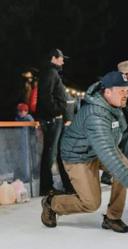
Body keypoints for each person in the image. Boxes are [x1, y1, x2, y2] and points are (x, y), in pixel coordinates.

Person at [41, 71, 128, 232]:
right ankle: (52, 203)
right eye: (122, 91)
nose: (126, 95)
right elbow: (106, 151)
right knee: (91, 203)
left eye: (127, 91)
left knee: (124, 166)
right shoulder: (96, 115)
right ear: (107, 92)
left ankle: (113, 217)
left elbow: (111, 141)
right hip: (78, 156)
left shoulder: (114, 107)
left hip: (95, 150)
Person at [36, 48, 74, 195]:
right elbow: (46, 97)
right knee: (50, 153)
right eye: (61, 58)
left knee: (55, 153)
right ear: (54, 58)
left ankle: (57, 186)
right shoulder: (50, 73)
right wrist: (57, 111)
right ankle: (47, 187)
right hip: (52, 119)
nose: (63, 61)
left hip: (54, 119)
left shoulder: (52, 73)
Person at [100, 60, 128, 185]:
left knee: (115, 151)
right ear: (125, 74)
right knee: (127, 153)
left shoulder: (113, 86)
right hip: (126, 125)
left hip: (115, 123)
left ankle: (107, 177)